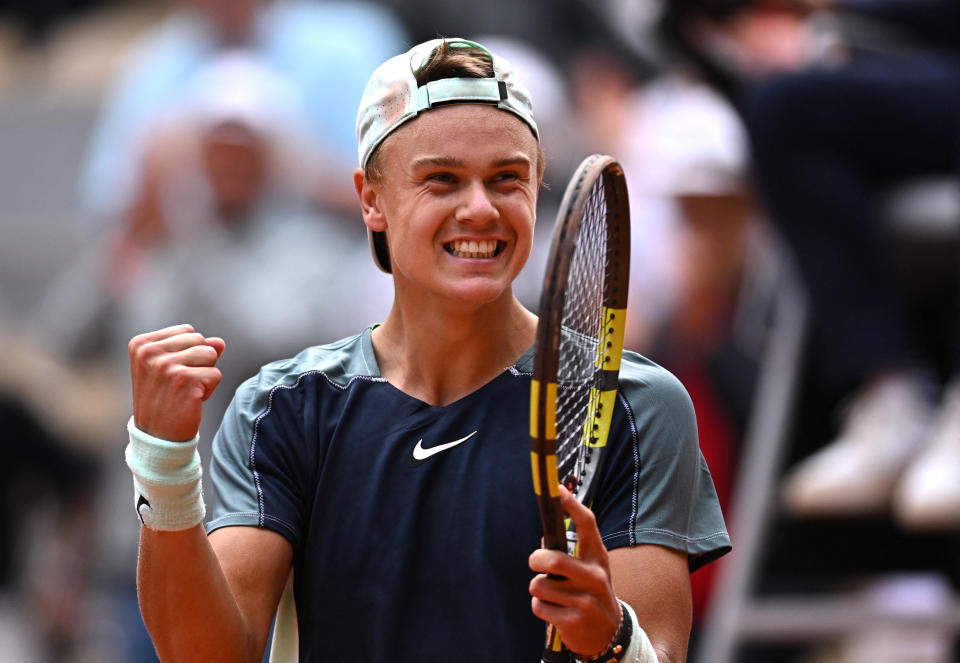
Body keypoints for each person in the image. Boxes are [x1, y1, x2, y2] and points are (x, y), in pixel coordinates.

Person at [124, 38, 730, 662]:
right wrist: (164, 463)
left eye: (507, 179)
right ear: (371, 200)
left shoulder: (635, 403)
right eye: (442, 180)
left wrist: (612, 639)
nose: (479, 208)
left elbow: (657, 649)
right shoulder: (283, 409)